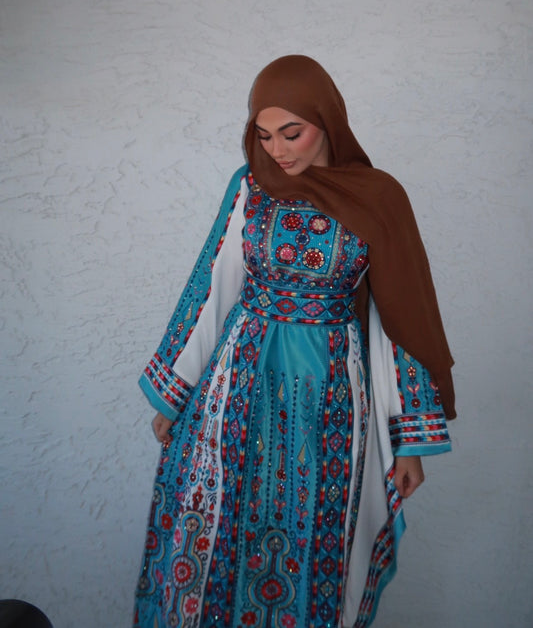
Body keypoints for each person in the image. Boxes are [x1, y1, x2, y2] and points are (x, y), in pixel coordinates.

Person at [133, 55, 455, 628]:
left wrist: (408, 440)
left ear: (326, 121)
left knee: (315, 534)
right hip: (237, 388)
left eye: (291, 132)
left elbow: (399, 321)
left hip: (329, 399)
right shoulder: (251, 186)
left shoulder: (377, 197)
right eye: (263, 135)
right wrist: (175, 393)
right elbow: (213, 285)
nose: (277, 150)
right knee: (217, 528)